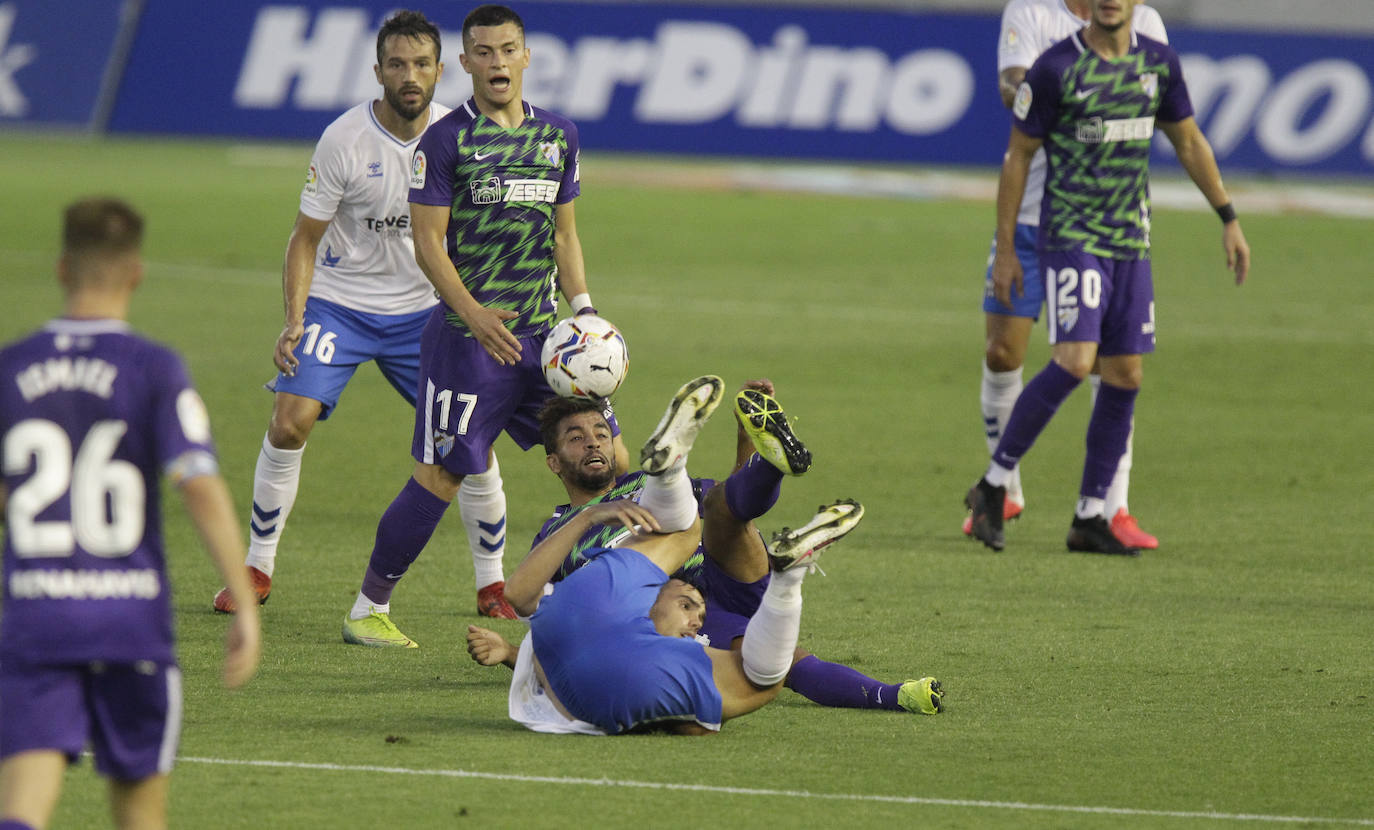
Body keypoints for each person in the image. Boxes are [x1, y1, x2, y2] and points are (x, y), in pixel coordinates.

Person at [210, 10, 519, 620]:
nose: (411, 76)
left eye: (422, 64)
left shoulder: (465, 139)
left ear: (441, 70)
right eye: (398, 64)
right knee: (289, 422)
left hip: (428, 312)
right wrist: (294, 319)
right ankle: (256, 566)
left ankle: (492, 585)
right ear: (378, 71)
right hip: (341, 305)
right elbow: (304, 238)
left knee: (471, 442)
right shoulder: (344, 140)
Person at [341, 4, 620, 647]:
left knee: (606, 454)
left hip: (547, 345)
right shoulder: (445, 141)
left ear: (527, 57)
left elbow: (565, 233)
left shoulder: (559, 136)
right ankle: (367, 609)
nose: (497, 63)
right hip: (466, 344)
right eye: (484, 53)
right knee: (443, 475)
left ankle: (609, 596)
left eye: (508, 50)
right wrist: (472, 314)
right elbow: (427, 243)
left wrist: (583, 313)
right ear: (464, 64)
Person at [0, 198, 261, 830]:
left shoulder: (12, 369)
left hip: (36, 621)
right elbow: (196, 482)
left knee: (21, 810)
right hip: (130, 625)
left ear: (62, 268)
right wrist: (247, 604)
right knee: (140, 816)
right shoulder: (153, 367)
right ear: (137, 272)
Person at [468, 380, 943, 715]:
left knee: (718, 509)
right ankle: (894, 695)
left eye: (600, 433)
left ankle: (773, 463)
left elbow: (731, 509)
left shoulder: (638, 483)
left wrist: (744, 441)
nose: (593, 444)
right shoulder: (559, 530)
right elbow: (558, 621)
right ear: (553, 462)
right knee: (783, 664)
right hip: (673, 616)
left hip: (719, 572)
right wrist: (513, 653)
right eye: (576, 438)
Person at [965, 0, 1250, 555]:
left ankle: (1093, 513)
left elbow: (1187, 139)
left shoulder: (1158, 61)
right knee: (1072, 359)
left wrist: (1228, 216)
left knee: (1124, 373)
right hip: (1070, 231)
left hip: (1130, 239)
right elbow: (1017, 154)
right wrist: (1005, 248)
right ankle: (995, 483)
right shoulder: (1055, 66)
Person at [968, 0, 1167, 550]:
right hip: (1032, 217)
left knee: (1113, 365)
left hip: (1105, 226)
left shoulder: (1144, 21)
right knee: (1003, 353)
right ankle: (1002, 487)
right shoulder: (1032, 14)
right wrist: (1062, 92)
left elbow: (1163, 107)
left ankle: (1111, 506)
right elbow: (1014, 87)